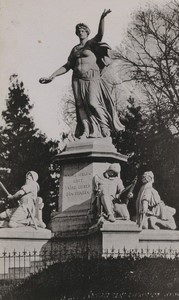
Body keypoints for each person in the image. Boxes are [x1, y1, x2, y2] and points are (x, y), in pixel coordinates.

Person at [39, 9, 124, 139]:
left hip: (92, 77)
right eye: (79, 31)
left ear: (87, 32)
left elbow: (100, 34)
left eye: (83, 30)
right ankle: (86, 130)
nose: (81, 33)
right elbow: (68, 65)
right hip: (77, 79)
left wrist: (102, 18)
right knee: (80, 105)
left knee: (92, 103)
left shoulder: (91, 44)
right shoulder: (75, 49)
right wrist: (52, 76)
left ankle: (104, 128)